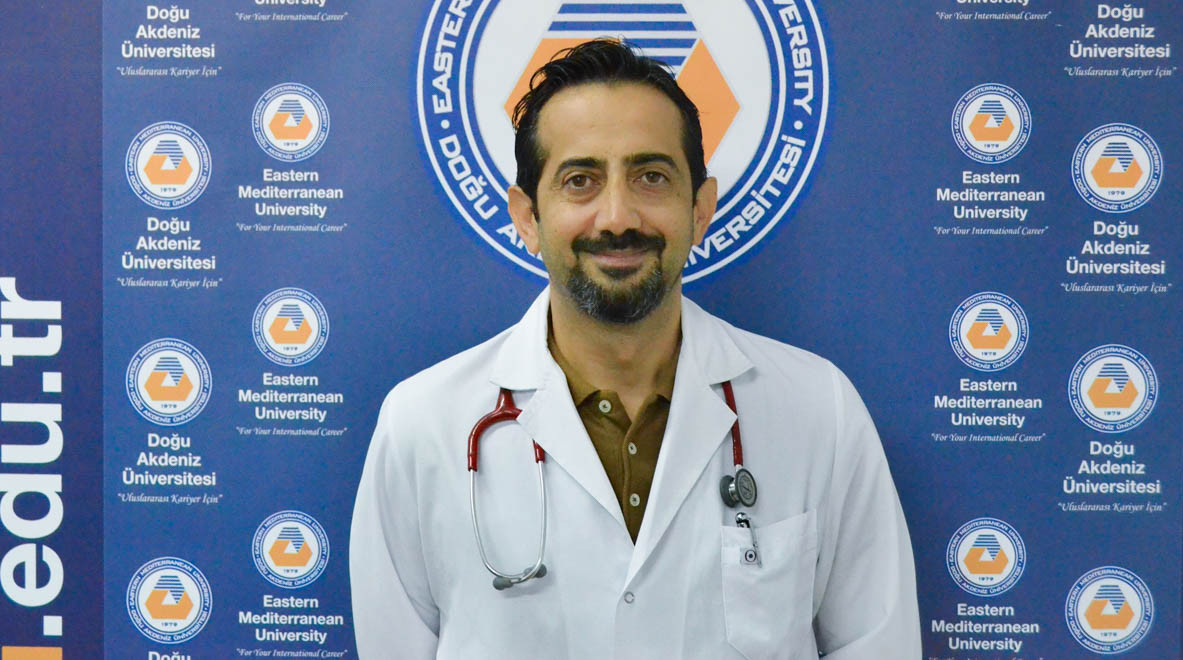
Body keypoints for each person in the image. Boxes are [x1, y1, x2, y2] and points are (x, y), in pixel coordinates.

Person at [350, 39, 920, 658]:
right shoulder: (423, 425)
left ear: (700, 209)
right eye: (580, 181)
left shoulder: (818, 410)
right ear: (528, 218)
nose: (617, 217)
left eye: (651, 177)